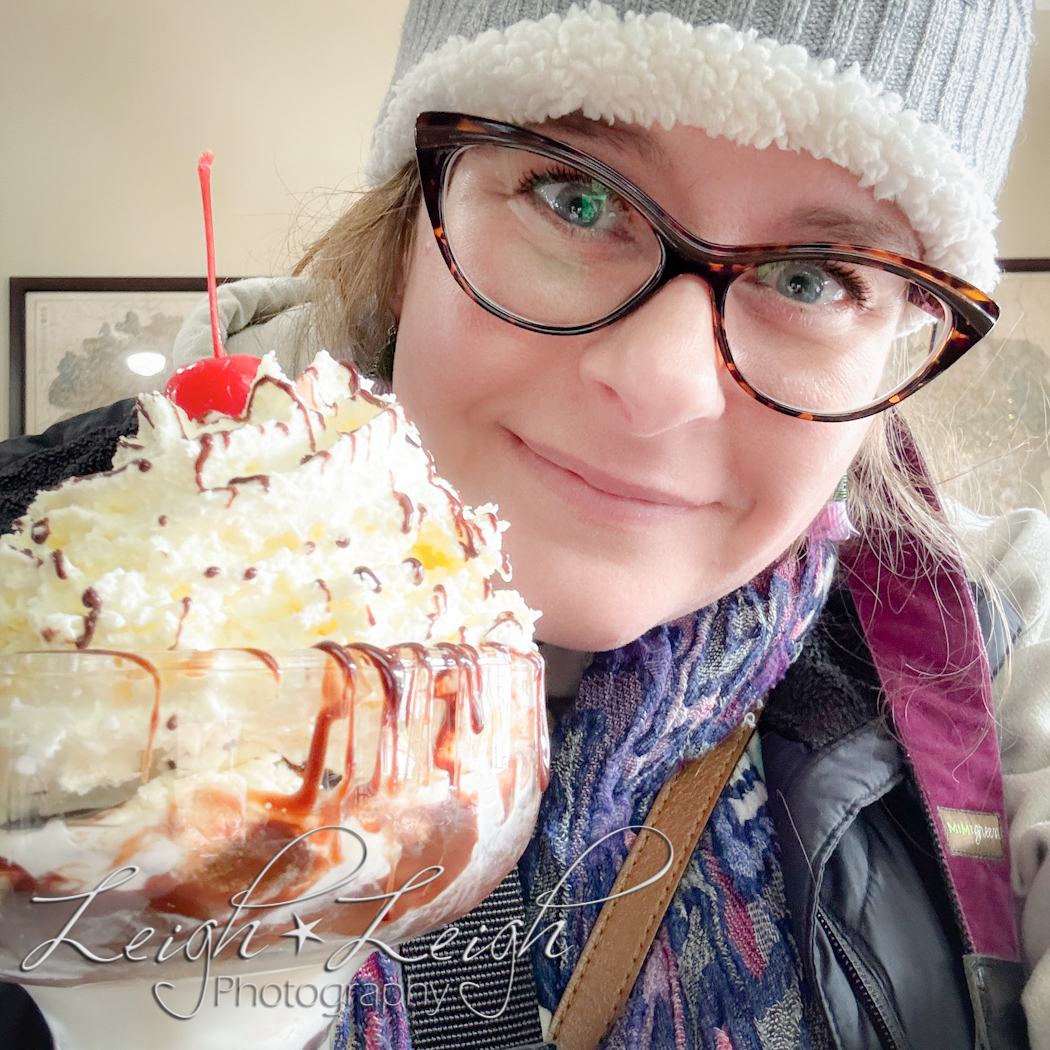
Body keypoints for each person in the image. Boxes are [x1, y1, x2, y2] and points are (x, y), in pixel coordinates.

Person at [3, 1, 1047, 1048]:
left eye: (810, 279)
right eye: (577, 197)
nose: (659, 385)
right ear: (416, 207)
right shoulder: (40, 590)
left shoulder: (995, 661)